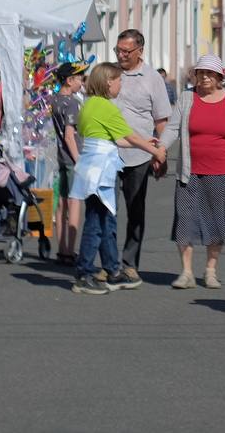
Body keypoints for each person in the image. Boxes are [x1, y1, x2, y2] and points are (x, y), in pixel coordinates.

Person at [71, 64, 167, 295]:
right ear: (107, 83)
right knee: (96, 221)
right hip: (101, 168)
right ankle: (83, 273)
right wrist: (154, 150)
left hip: (92, 163)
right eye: (118, 81)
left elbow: (116, 138)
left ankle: (112, 269)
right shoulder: (106, 107)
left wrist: (147, 143)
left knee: (104, 219)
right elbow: (128, 136)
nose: (121, 85)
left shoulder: (89, 105)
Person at [160, 54, 225, 290]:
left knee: (217, 222)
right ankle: (186, 272)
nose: (205, 77)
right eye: (201, 73)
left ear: (220, 77)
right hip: (190, 173)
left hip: (222, 172)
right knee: (185, 221)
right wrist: (159, 147)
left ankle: (210, 271)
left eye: (210, 73)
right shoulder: (187, 98)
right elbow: (172, 128)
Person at [111, 30, 173, 282]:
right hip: (110, 153)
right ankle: (108, 261)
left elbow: (161, 120)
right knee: (106, 209)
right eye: (118, 50)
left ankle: (129, 262)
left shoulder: (152, 79)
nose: (122, 55)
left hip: (139, 154)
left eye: (126, 51)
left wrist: (161, 155)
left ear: (140, 51)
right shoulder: (110, 73)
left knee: (135, 210)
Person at [50, 62, 87, 265]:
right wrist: (79, 160)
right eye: (79, 77)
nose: (81, 81)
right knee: (74, 202)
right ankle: (69, 250)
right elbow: (69, 136)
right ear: (69, 80)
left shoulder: (55, 100)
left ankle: (62, 248)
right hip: (72, 157)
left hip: (61, 157)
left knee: (62, 202)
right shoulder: (71, 102)